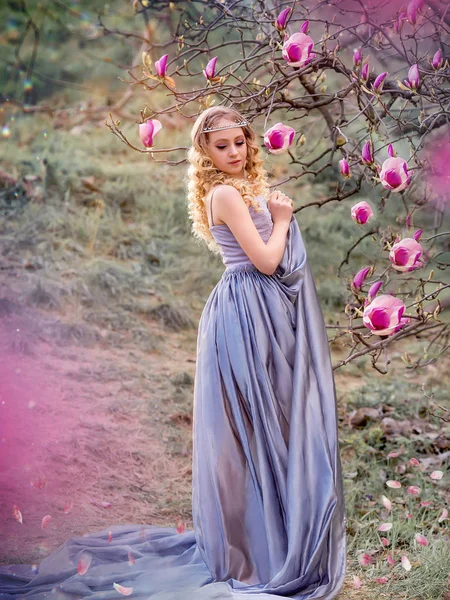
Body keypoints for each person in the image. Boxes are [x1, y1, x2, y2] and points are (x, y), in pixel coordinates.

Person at [0, 107, 347, 600]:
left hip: (263, 314)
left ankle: (271, 538)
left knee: (273, 425)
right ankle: (255, 551)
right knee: (252, 429)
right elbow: (267, 260)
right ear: (204, 152)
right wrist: (284, 219)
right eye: (221, 146)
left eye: (239, 143)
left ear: (249, 142)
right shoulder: (225, 194)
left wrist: (273, 213)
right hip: (245, 315)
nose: (233, 152)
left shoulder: (243, 189)